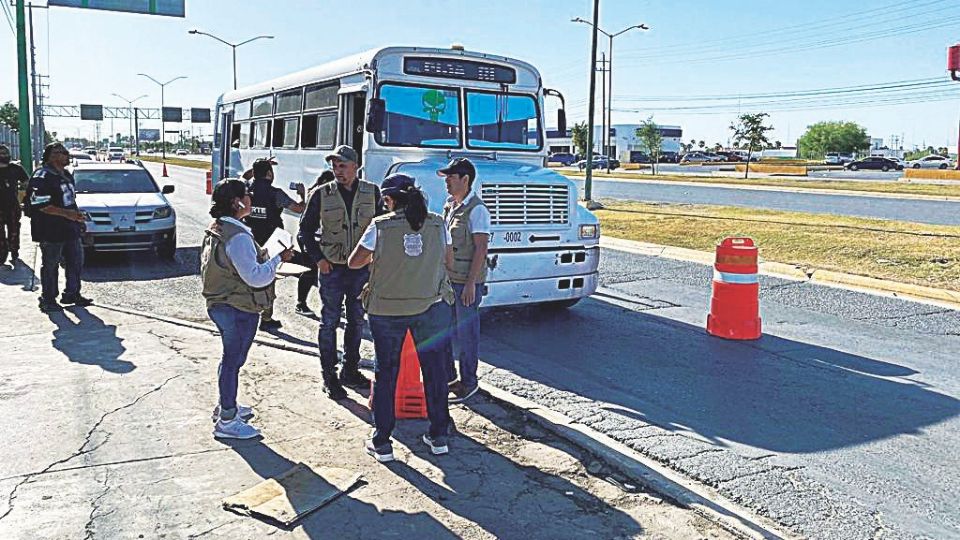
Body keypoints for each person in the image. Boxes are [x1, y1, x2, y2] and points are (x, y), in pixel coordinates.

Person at [348, 173, 455, 462]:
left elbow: (354, 261)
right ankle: (439, 435)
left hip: (387, 310)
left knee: (386, 375)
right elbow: (449, 261)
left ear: (389, 199)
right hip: (430, 305)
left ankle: (382, 441)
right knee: (434, 373)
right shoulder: (437, 222)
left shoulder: (380, 226)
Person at [201, 178, 294, 439]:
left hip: (222, 303)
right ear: (237, 202)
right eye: (247, 195)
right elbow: (256, 277)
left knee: (230, 360)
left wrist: (265, 254)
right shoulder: (238, 236)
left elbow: (238, 264)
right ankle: (227, 421)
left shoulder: (220, 227)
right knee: (233, 361)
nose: (251, 200)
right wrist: (277, 258)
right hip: (237, 306)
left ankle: (226, 406)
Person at [299, 145, 382, 399]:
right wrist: (319, 260)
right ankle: (329, 375)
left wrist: (376, 261)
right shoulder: (321, 194)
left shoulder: (372, 192)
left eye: (343, 165)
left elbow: (383, 228)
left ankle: (350, 369)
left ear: (356, 166)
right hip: (332, 269)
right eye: (334, 166)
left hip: (361, 270)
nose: (338, 171)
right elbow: (304, 232)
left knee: (357, 320)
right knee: (329, 322)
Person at [438, 158, 490, 403]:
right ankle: (450, 378)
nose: (447, 181)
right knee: (444, 332)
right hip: (448, 281)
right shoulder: (450, 205)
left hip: (465, 283)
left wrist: (471, 284)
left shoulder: (477, 209)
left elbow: (481, 249)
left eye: (451, 177)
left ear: (465, 180)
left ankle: (468, 382)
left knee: (467, 335)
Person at [26, 143, 92, 312]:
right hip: (50, 230)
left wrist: (78, 218)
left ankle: (72, 293)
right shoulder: (42, 176)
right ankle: (48, 299)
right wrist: (67, 214)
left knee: (75, 262)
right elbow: (40, 204)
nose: (67, 155)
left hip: (70, 228)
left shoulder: (66, 175)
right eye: (63, 153)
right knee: (50, 265)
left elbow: (70, 200)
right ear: (53, 156)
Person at [242, 158, 306, 330]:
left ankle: (248, 313)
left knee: (248, 276)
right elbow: (300, 208)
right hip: (271, 242)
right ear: (270, 174)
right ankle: (266, 318)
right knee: (268, 278)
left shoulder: (246, 190)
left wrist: (256, 168)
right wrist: (302, 193)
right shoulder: (275, 193)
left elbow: (244, 176)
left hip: (250, 240)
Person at [292, 170, 335, 316]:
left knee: (328, 271)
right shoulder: (317, 195)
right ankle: (301, 303)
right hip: (310, 238)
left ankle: (331, 303)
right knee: (310, 270)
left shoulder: (332, 196)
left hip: (323, 239)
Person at [0, 144, 27, 265]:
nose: (3, 156)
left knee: (14, 231)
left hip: (12, 206)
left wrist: (25, 197)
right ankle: (2, 254)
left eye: (5, 153)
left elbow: (26, 182)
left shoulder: (15, 168)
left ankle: (14, 251)